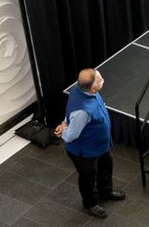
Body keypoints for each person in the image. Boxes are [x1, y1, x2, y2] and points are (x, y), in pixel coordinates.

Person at [53, 68, 125, 218]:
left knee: (106, 164)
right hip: (84, 151)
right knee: (88, 176)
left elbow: (69, 112)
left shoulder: (78, 89)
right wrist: (64, 129)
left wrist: (65, 122)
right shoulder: (83, 111)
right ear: (93, 88)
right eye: (100, 80)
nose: (103, 80)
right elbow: (71, 135)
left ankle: (105, 191)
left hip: (99, 145)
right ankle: (90, 203)